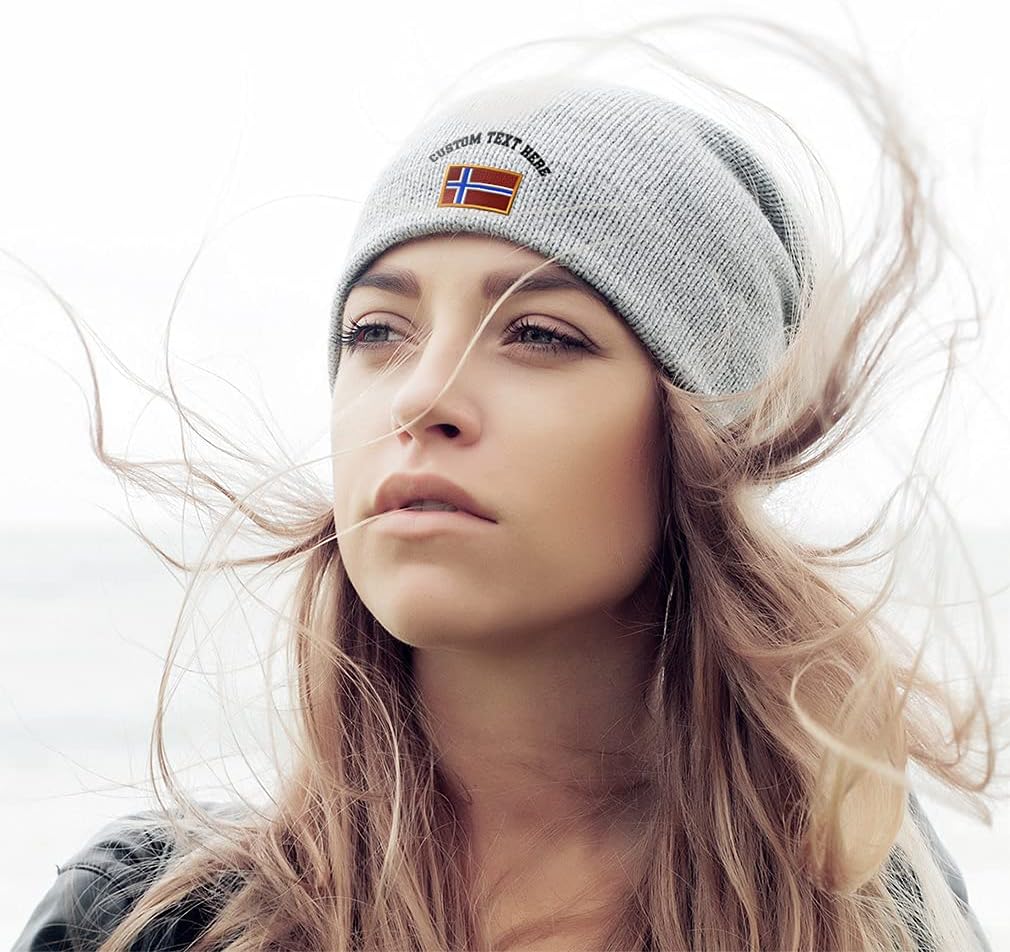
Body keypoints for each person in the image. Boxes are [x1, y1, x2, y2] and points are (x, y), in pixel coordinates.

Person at [13, 16, 1002, 952]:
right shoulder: (147, 921)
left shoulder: (860, 907)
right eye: (376, 331)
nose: (421, 395)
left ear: (703, 439)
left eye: (539, 333)